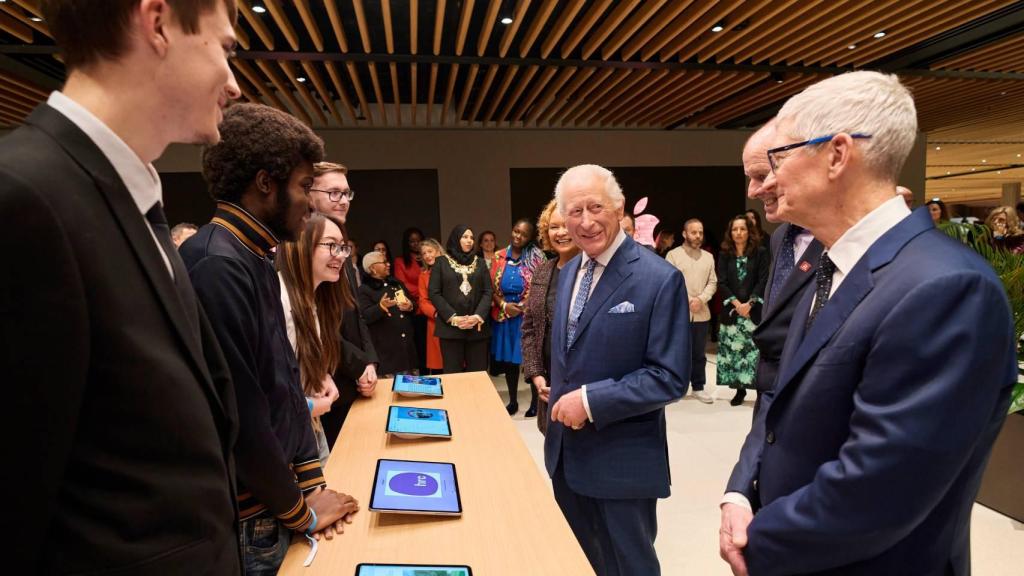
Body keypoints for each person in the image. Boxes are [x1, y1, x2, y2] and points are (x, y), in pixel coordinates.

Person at [720, 71, 1015, 576]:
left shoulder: (945, 287)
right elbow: (779, 399)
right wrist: (740, 494)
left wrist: (759, 541)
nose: (768, 180)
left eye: (780, 157)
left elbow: (882, 488)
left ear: (837, 154)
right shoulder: (833, 266)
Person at [1, 1, 242, 572]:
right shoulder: (22, 196)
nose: (233, 84)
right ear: (157, 22)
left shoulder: (128, 198)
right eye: (225, 49)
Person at [182, 103, 358, 573]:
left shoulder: (252, 253)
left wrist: (310, 480)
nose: (310, 201)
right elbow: (242, 410)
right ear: (265, 183)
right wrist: (300, 509)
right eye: (304, 187)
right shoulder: (217, 264)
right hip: (251, 513)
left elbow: (281, 380)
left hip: (274, 499)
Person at [546, 164, 689, 576]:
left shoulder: (659, 279)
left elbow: (669, 377)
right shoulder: (571, 269)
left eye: (596, 207)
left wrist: (589, 401)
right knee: (584, 564)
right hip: (566, 457)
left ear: (619, 207)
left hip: (622, 462)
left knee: (629, 567)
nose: (586, 222)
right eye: (575, 212)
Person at [743, 121, 824, 417]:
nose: (753, 190)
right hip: (770, 394)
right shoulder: (780, 237)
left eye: (761, 175)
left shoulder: (842, 239)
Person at [308, 161, 378, 447]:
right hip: (327, 382)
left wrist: (370, 360)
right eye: (333, 193)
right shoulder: (302, 248)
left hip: (355, 378)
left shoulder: (342, 248)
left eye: (346, 194)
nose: (342, 201)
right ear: (309, 194)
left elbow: (356, 313)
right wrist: (358, 364)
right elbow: (313, 323)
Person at [277, 213, 353, 466]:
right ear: (302, 244)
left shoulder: (310, 299)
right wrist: (308, 406)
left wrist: (321, 375)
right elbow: (265, 389)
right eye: (331, 245)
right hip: (288, 437)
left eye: (343, 247)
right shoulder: (279, 300)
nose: (341, 254)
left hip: (307, 428)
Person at [521, 199, 578, 434]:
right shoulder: (543, 270)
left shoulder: (594, 271)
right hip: (547, 383)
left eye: (566, 225)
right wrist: (535, 374)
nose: (561, 232)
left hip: (581, 387)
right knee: (554, 449)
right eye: (554, 226)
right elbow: (530, 328)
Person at [491, 218, 547, 415]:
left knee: (531, 360)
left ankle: (534, 403)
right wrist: (505, 305)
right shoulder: (498, 256)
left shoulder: (537, 257)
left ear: (529, 237)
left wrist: (523, 306)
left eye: (523, 234)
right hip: (505, 316)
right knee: (509, 362)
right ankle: (513, 401)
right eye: (516, 231)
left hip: (527, 316)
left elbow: (542, 287)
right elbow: (490, 288)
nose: (518, 236)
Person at [716, 215, 769, 407]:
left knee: (754, 352)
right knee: (735, 353)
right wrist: (737, 304)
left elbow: (763, 280)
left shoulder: (761, 252)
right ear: (730, 233)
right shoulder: (724, 254)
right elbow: (721, 281)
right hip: (732, 311)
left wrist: (751, 303)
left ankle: (761, 392)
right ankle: (740, 390)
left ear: (749, 231)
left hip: (753, 311)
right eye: (735, 229)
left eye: (742, 229)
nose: (738, 233)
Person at [665, 219, 718, 404]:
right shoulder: (673, 255)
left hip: (702, 312)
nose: (698, 236)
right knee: (677, 351)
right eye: (694, 232)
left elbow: (713, 282)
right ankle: (676, 387)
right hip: (679, 312)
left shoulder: (708, 257)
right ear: (684, 234)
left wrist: (701, 299)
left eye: (700, 233)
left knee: (698, 353)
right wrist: (688, 300)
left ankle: (698, 387)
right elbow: (670, 282)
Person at [429, 225, 493, 373]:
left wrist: (477, 316)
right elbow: (434, 293)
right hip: (450, 328)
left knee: (478, 375)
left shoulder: (480, 262)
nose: (469, 240)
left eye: (471, 237)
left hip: (476, 327)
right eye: (465, 237)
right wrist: (453, 317)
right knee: (453, 375)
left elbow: (488, 292)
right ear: (456, 239)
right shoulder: (441, 262)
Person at [358, 250, 419, 376]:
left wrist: (410, 306)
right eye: (384, 262)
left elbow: (413, 303)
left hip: (407, 350)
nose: (388, 264)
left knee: (413, 391)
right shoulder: (364, 290)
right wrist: (380, 307)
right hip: (388, 355)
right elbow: (365, 316)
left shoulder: (396, 283)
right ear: (373, 268)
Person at [394, 227, 429, 374]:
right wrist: (424, 290)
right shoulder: (400, 261)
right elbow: (402, 284)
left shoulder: (429, 257)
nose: (416, 244)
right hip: (415, 310)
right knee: (420, 346)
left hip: (432, 308)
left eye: (418, 240)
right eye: (412, 241)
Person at [417, 238, 446, 374]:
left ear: (438, 251)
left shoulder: (452, 270)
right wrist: (437, 314)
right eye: (424, 253)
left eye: (430, 251)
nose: (427, 256)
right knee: (438, 365)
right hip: (435, 322)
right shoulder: (423, 276)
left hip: (455, 320)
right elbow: (423, 301)